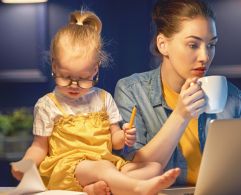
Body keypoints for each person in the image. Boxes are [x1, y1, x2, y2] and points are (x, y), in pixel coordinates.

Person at [11, 10, 180, 195]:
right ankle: (136, 188)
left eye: (83, 78)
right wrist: (25, 165)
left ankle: (94, 189)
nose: (74, 85)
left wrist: (124, 137)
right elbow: (38, 146)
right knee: (101, 169)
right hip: (68, 168)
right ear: (54, 66)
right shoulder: (47, 105)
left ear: (95, 70)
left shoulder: (103, 99)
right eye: (65, 77)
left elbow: (115, 142)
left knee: (153, 168)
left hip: (106, 163)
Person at [114, 0, 241, 186]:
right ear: (162, 44)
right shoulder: (132, 91)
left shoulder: (232, 97)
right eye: (193, 45)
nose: (205, 57)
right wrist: (181, 115)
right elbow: (133, 173)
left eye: (211, 45)